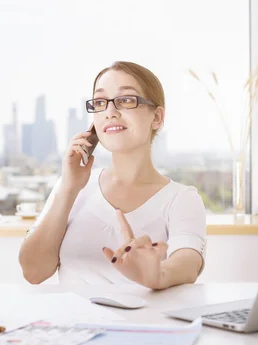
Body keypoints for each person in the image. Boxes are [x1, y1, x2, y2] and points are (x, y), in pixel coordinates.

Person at [19, 61, 206, 289]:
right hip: (74, 323)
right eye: (99, 102)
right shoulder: (72, 187)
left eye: (126, 100)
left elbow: (188, 261)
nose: (109, 112)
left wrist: (158, 275)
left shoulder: (181, 198)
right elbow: (33, 272)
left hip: (144, 323)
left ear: (156, 118)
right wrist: (69, 188)